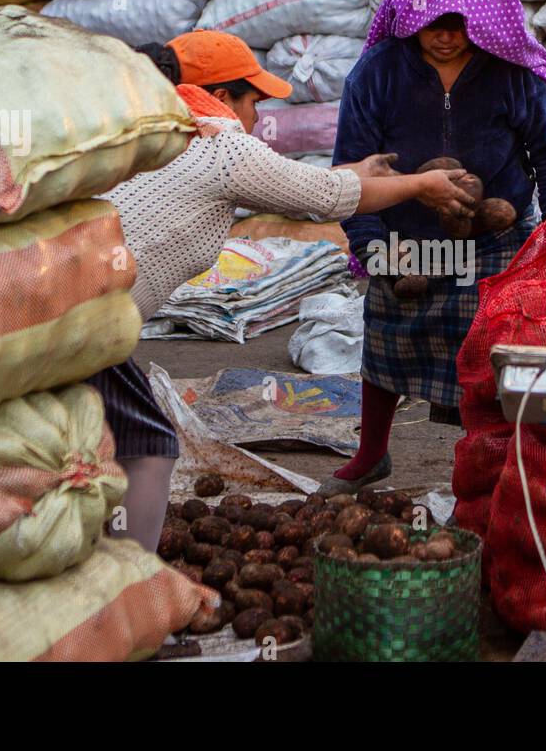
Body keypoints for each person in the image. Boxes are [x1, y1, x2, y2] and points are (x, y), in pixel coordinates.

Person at [92, 30, 478, 550]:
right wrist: (419, 186)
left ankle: (108, 555)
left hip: (81, 316)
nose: (258, 116)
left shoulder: (142, 135)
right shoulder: (218, 145)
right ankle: (129, 575)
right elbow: (325, 196)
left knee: (107, 443)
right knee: (145, 444)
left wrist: (359, 175)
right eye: (254, 101)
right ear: (221, 98)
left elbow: (312, 184)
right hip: (87, 328)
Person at [321, 0, 546, 495]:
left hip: (494, 237)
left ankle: (488, 467)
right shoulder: (377, 75)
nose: (446, 35)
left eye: (459, 23)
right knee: (386, 344)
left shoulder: (511, 73)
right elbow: (350, 171)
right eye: (432, 21)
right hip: (405, 238)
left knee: (493, 356)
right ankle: (372, 453)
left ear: (480, 22)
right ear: (410, 13)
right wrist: (374, 250)